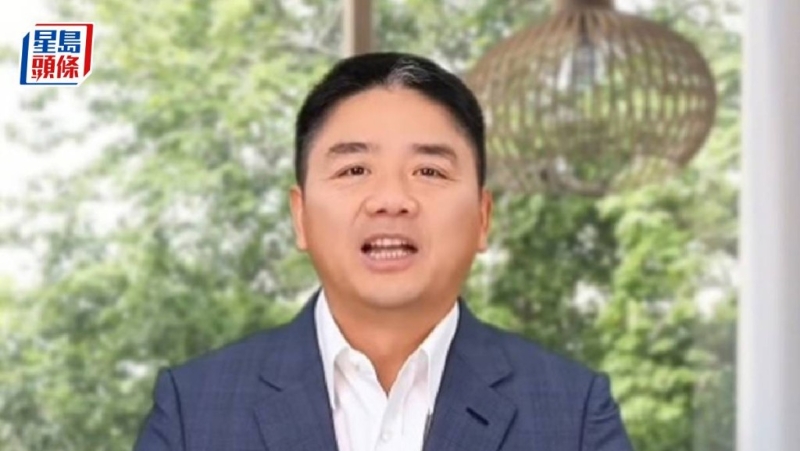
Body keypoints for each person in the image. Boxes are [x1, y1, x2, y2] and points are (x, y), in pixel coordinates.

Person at [133, 52, 633, 451]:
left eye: (429, 171)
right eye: (354, 170)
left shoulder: (573, 412)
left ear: (482, 218)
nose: (391, 199)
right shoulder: (194, 409)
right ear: (300, 216)